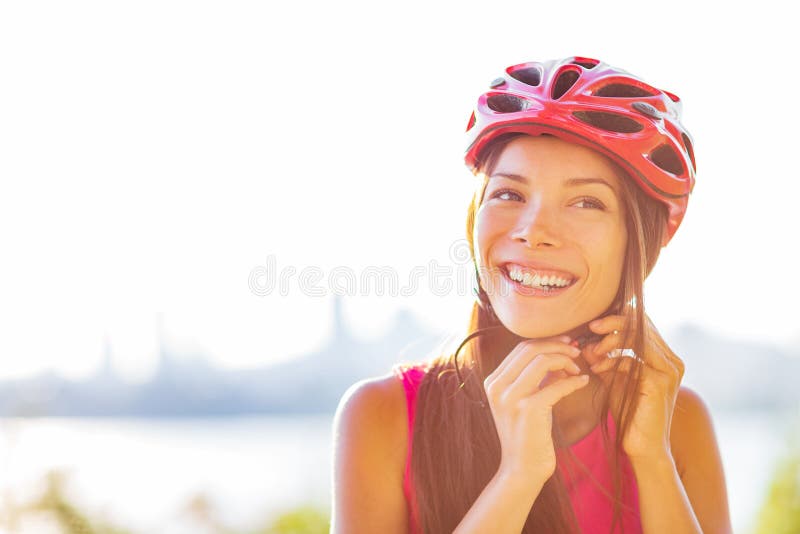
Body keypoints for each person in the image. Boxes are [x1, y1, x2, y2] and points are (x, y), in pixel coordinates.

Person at [331, 56, 732, 534]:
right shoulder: (384, 419)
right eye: (509, 194)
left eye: (586, 202)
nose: (534, 231)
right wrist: (516, 477)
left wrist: (652, 459)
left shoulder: (677, 425)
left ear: (640, 241)